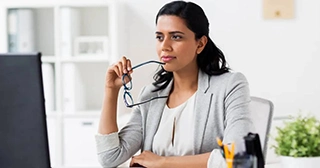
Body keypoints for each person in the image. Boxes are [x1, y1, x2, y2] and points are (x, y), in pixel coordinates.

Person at [96, 1, 254, 167]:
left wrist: (164, 162)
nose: (164, 46)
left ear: (200, 44)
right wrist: (111, 91)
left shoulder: (230, 86)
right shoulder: (150, 95)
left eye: (176, 37)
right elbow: (110, 158)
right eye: (159, 37)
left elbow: (240, 157)